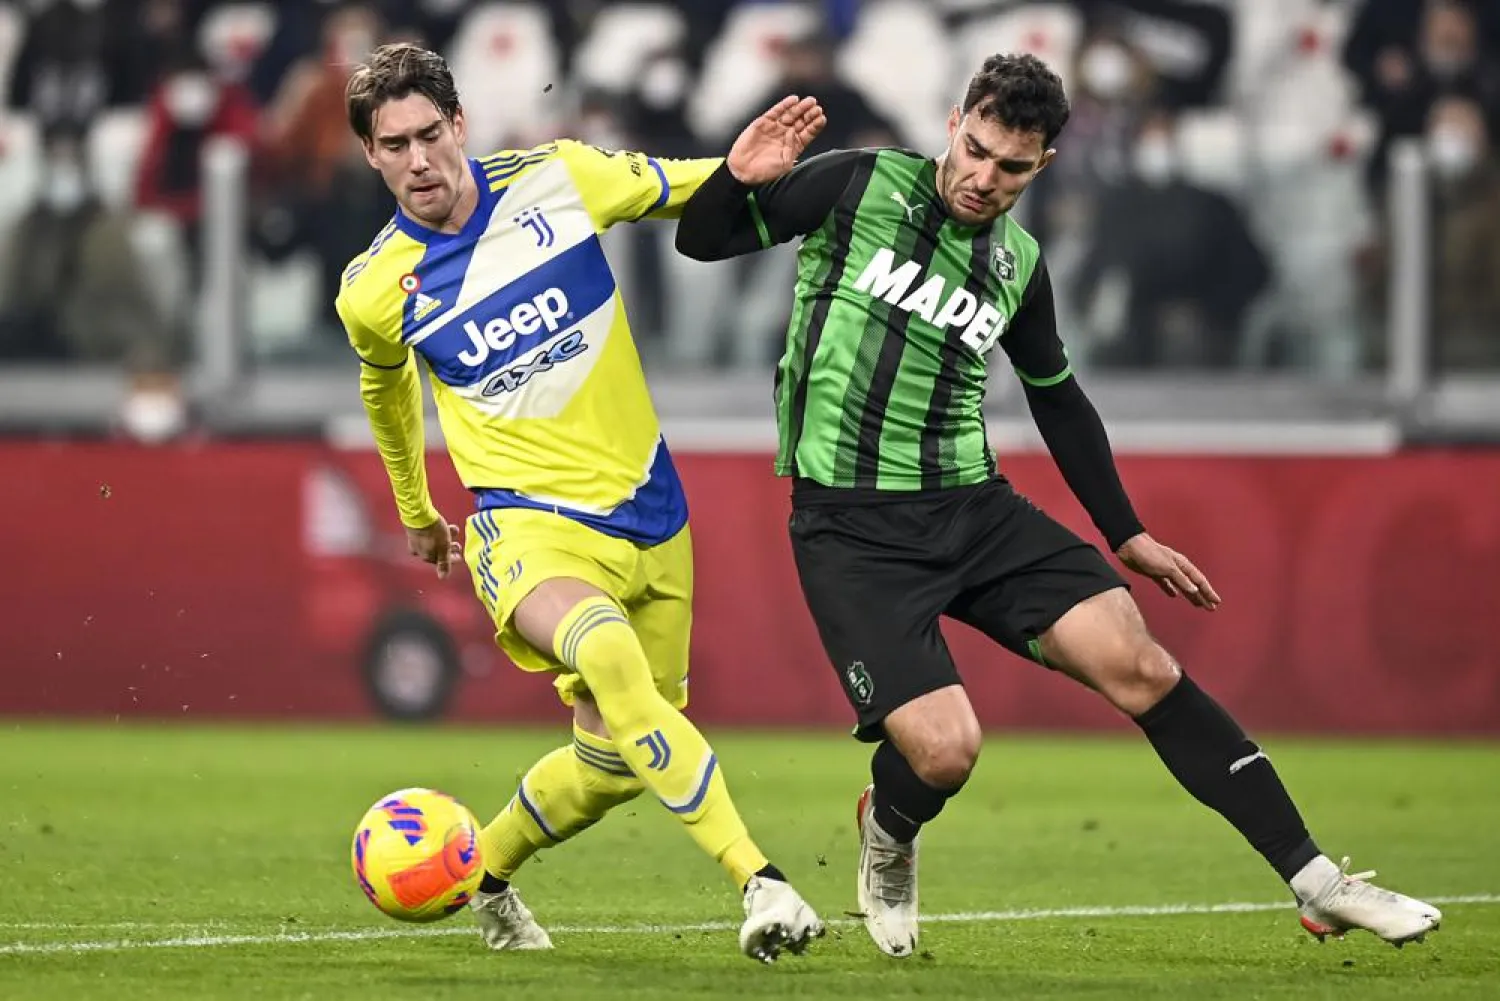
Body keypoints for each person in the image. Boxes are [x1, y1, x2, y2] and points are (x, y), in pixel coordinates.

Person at [675, 53, 1442, 958]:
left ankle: (1319, 883)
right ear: (953, 122)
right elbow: (702, 241)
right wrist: (735, 177)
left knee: (1144, 667)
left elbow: (1059, 396)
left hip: (973, 506)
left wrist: (1127, 533)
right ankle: (889, 829)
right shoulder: (855, 184)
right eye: (976, 150)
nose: (984, 178)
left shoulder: (1020, 264)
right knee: (947, 751)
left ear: (1042, 167)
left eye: (1011, 167)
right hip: (850, 526)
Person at [335, 43, 825, 963]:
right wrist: (415, 507)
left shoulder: (559, 177)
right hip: (524, 524)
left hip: (652, 512)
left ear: (460, 126)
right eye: (393, 144)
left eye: (429, 135)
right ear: (371, 154)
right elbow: (386, 392)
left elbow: (675, 186)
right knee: (605, 652)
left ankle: (482, 875)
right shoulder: (372, 291)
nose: (417, 161)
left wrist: (737, 167)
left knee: (610, 765)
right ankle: (760, 880)